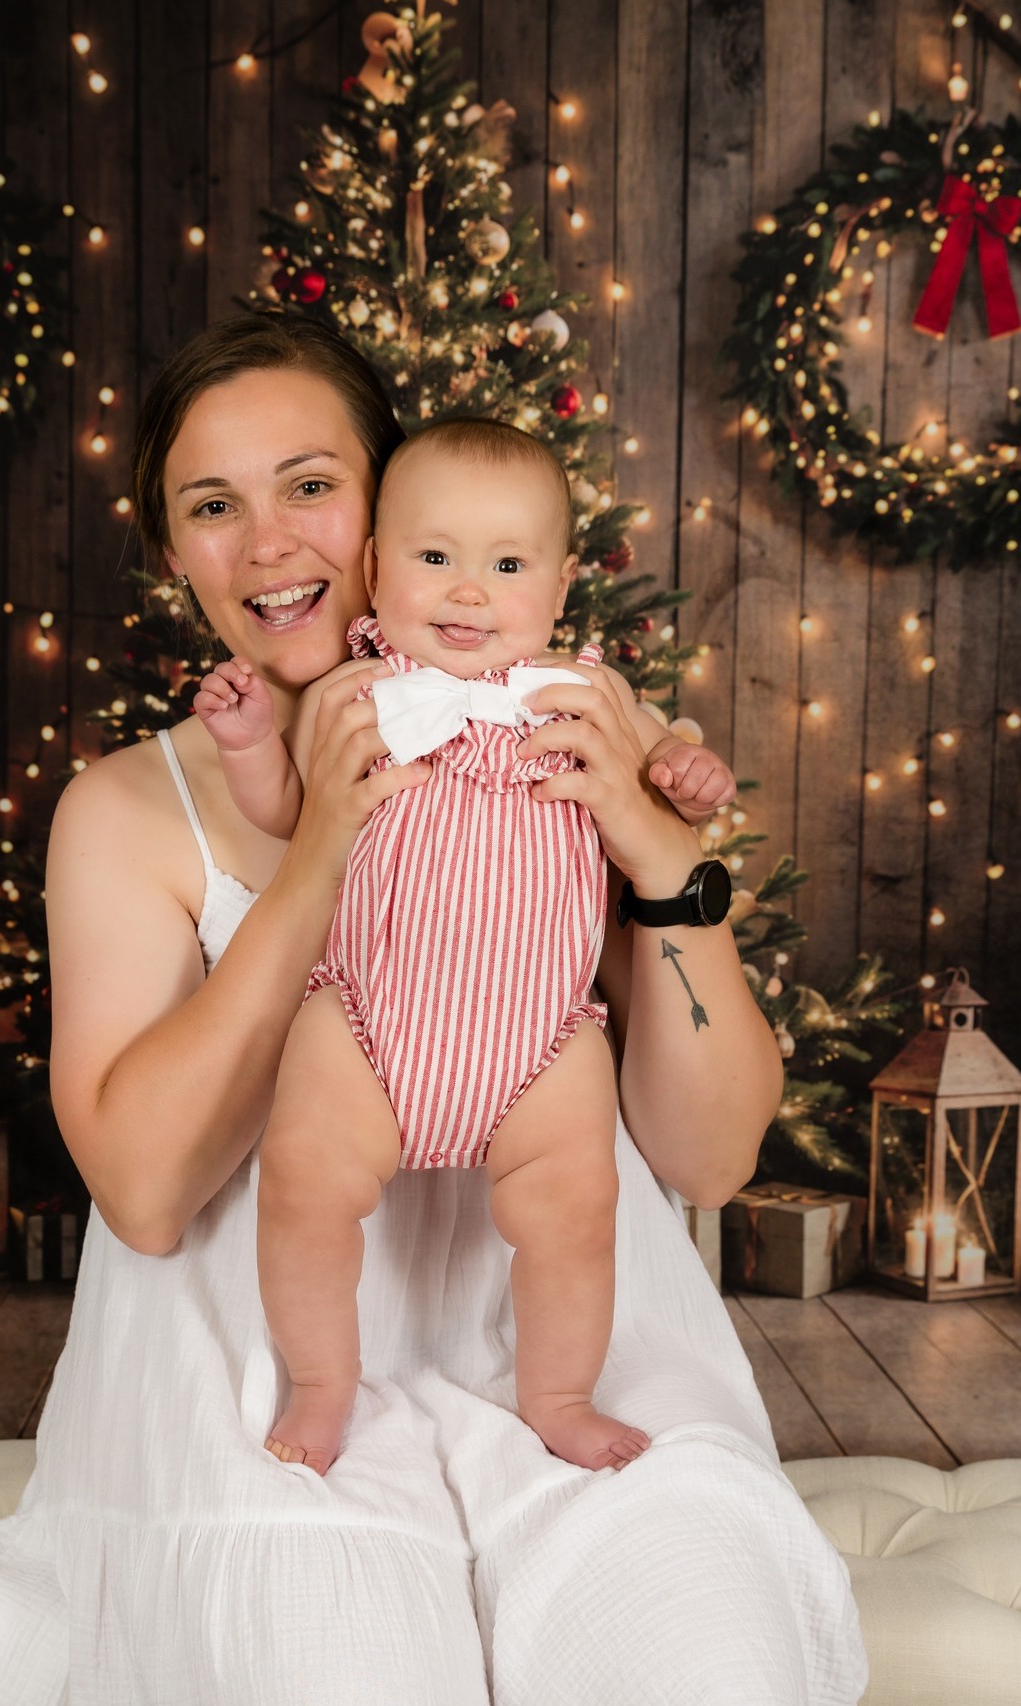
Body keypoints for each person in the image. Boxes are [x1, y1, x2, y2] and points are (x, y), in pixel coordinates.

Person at [0, 312, 869, 1706]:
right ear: (172, 550)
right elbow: (144, 1196)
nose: (268, 543)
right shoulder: (126, 808)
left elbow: (708, 1159)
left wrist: (661, 856)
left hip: (562, 1363)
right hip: (257, 1390)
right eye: (214, 505)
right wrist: (322, 842)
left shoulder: (570, 727)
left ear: (386, 506)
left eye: (310, 483)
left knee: (705, 1659)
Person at [194, 416, 738, 1478]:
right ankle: (321, 1379)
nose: (468, 592)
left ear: (563, 580)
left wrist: (682, 769)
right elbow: (281, 818)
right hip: (368, 1014)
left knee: (579, 1209)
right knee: (302, 1181)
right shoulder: (355, 694)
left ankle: (560, 1393)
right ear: (375, 565)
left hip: (539, 1038)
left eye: (506, 564)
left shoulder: (589, 694)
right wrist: (254, 744)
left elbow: (662, 759)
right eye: (435, 558)